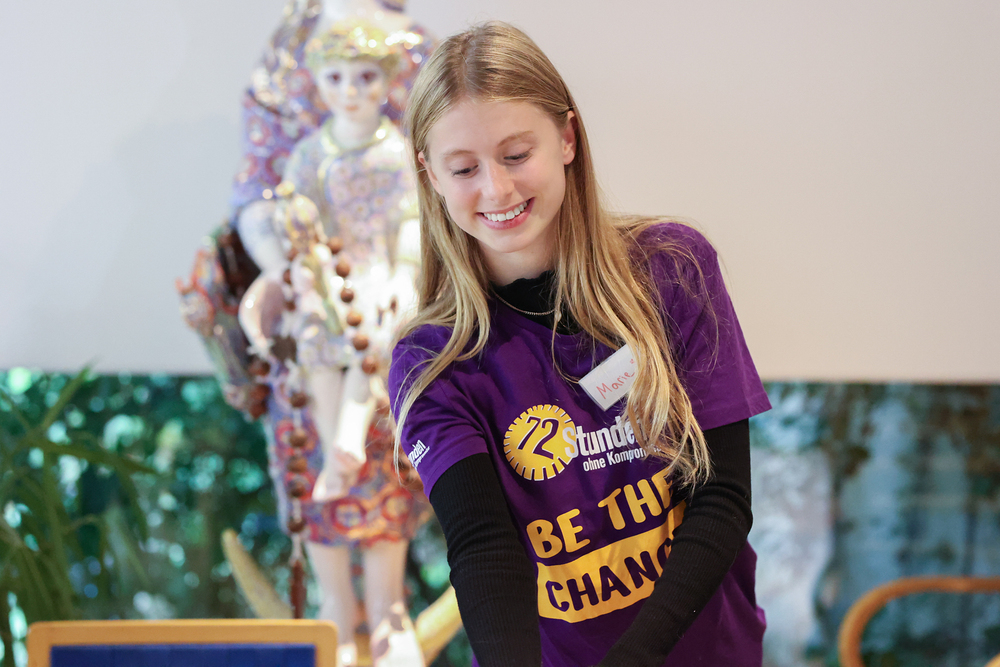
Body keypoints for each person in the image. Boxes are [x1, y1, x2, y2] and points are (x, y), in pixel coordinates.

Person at [387, 21, 771, 667]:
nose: (496, 189)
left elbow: (722, 497)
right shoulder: (432, 361)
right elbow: (484, 549)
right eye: (464, 168)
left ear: (567, 137)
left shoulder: (673, 270)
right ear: (430, 174)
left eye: (516, 155)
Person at [238, 19, 428, 667]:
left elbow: (412, 221)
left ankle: (387, 604)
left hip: (379, 279)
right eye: (336, 78)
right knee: (318, 335)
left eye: (365, 77)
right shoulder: (307, 151)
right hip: (326, 280)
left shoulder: (398, 151)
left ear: (388, 80)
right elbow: (291, 217)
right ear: (315, 84)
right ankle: (334, 606)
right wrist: (298, 265)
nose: (350, 91)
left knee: (382, 336)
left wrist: (403, 276)